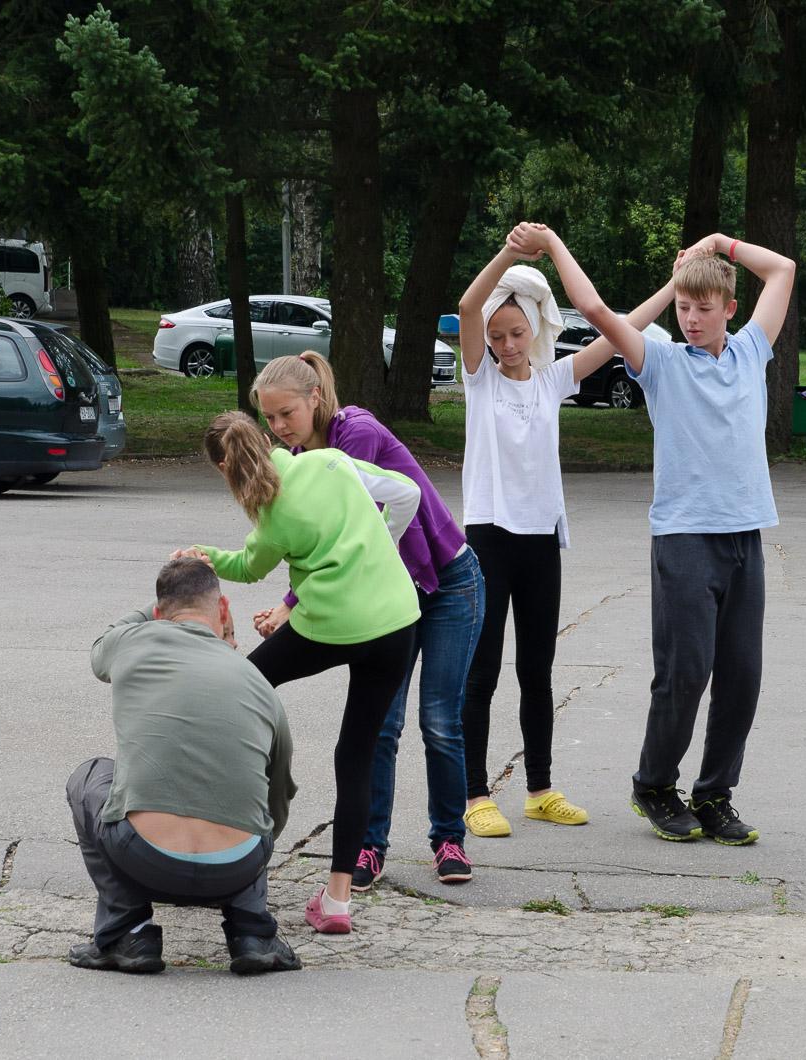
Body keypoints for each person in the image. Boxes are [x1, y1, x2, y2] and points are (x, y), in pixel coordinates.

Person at [512, 221, 796, 845]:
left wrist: (720, 244)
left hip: (744, 536)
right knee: (685, 672)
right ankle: (655, 784)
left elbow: (783, 270)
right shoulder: (660, 361)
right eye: (684, 307)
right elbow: (594, 310)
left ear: (730, 309)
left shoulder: (752, 351)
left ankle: (715, 793)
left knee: (742, 677)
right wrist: (556, 245)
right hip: (684, 538)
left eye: (703, 308)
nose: (691, 319)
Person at [455, 232, 679, 839]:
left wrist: (673, 286)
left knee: (538, 670)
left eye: (516, 333)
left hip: (540, 542)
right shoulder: (480, 380)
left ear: (534, 329)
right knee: (482, 671)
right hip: (488, 537)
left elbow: (620, 330)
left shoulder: (553, 380)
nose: (506, 345)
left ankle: (539, 790)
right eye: (497, 336)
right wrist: (510, 254)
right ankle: (475, 794)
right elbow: (469, 305)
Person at [251, 352, 485, 891]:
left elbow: (345, 535)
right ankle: (369, 847)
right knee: (381, 725)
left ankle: (448, 840)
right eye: (270, 418)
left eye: (287, 413)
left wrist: (290, 603)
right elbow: (309, 542)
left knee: (440, 721)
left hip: (448, 582)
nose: (280, 427)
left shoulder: (353, 434)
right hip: (389, 596)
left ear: (314, 397)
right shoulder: (297, 457)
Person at [183, 411, 421, 934]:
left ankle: (208, 826)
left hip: (330, 626)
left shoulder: (271, 516)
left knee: (242, 688)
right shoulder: (331, 461)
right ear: (266, 438)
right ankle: (338, 900)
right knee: (356, 754)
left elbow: (247, 569)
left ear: (224, 467)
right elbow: (407, 493)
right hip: (396, 621)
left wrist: (204, 556)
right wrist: (383, 544)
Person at [66, 556, 300, 977]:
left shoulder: (132, 643)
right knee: (256, 798)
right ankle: (252, 932)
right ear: (223, 609)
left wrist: (155, 606)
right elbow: (278, 795)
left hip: (144, 857)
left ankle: (129, 932)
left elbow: (102, 644)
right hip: (238, 866)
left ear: (158, 614)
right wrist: (246, 859)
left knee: (89, 776)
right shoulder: (258, 681)